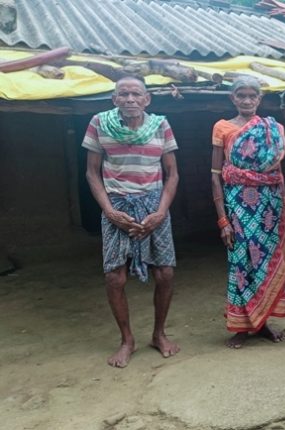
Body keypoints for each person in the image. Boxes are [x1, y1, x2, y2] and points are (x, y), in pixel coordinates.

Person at [83, 76, 180, 368]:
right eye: (123, 94)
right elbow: (92, 173)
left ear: (147, 99)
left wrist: (160, 212)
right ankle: (127, 340)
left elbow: (172, 174)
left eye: (136, 94)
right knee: (115, 277)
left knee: (165, 273)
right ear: (114, 99)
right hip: (117, 205)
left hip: (155, 205)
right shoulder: (99, 123)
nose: (129, 99)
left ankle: (159, 334)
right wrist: (110, 211)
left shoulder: (160, 125)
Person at [210, 77, 285, 348]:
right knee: (241, 262)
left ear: (260, 98)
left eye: (252, 95)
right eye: (241, 95)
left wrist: (284, 207)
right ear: (232, 98)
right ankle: (242, 326)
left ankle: (262, 322)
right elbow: (215, 176)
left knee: (264, 262)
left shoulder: (273, 129)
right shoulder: (222, 127)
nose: (246, 100)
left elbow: (277, 171)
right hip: (238, 206)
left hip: (270, 207)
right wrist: (223, 220)